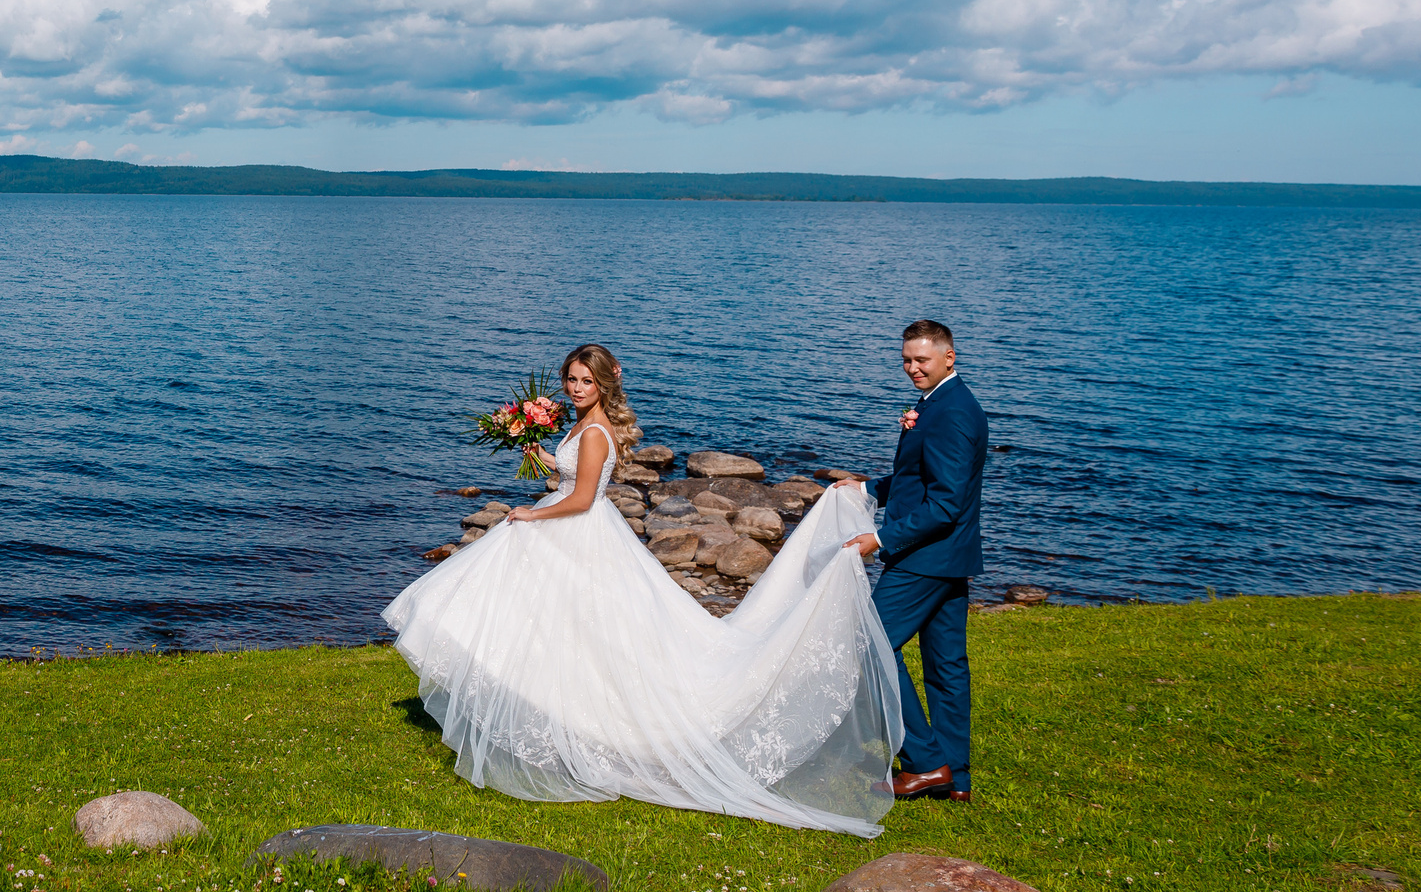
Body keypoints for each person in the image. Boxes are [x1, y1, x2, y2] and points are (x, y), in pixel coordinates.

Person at [384, 343, 905, 836]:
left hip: (577, 531)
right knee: (564, 628)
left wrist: (527, 512)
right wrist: (531, 446)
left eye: (585, 380)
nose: (575, 387)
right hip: (577, 530)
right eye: (570, 379)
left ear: (605, 383)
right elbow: (568, 479)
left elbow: (584, 498)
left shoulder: (593, 433)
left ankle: (577, 721)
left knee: (566, 625)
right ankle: (551, 710)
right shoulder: (587, 427)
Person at [834, 319, 988, 803]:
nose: (912, 368)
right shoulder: (940, 403)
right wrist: (867, 487)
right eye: (906, 359)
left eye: (922, 359)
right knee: (946, 666)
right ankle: (955, 779)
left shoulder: (953, 412)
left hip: (925, 557)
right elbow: (922, 477)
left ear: (949, 357)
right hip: (949, 556)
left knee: (870, 640)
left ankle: (925, 762)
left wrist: (878, 538)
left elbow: (945, 503)